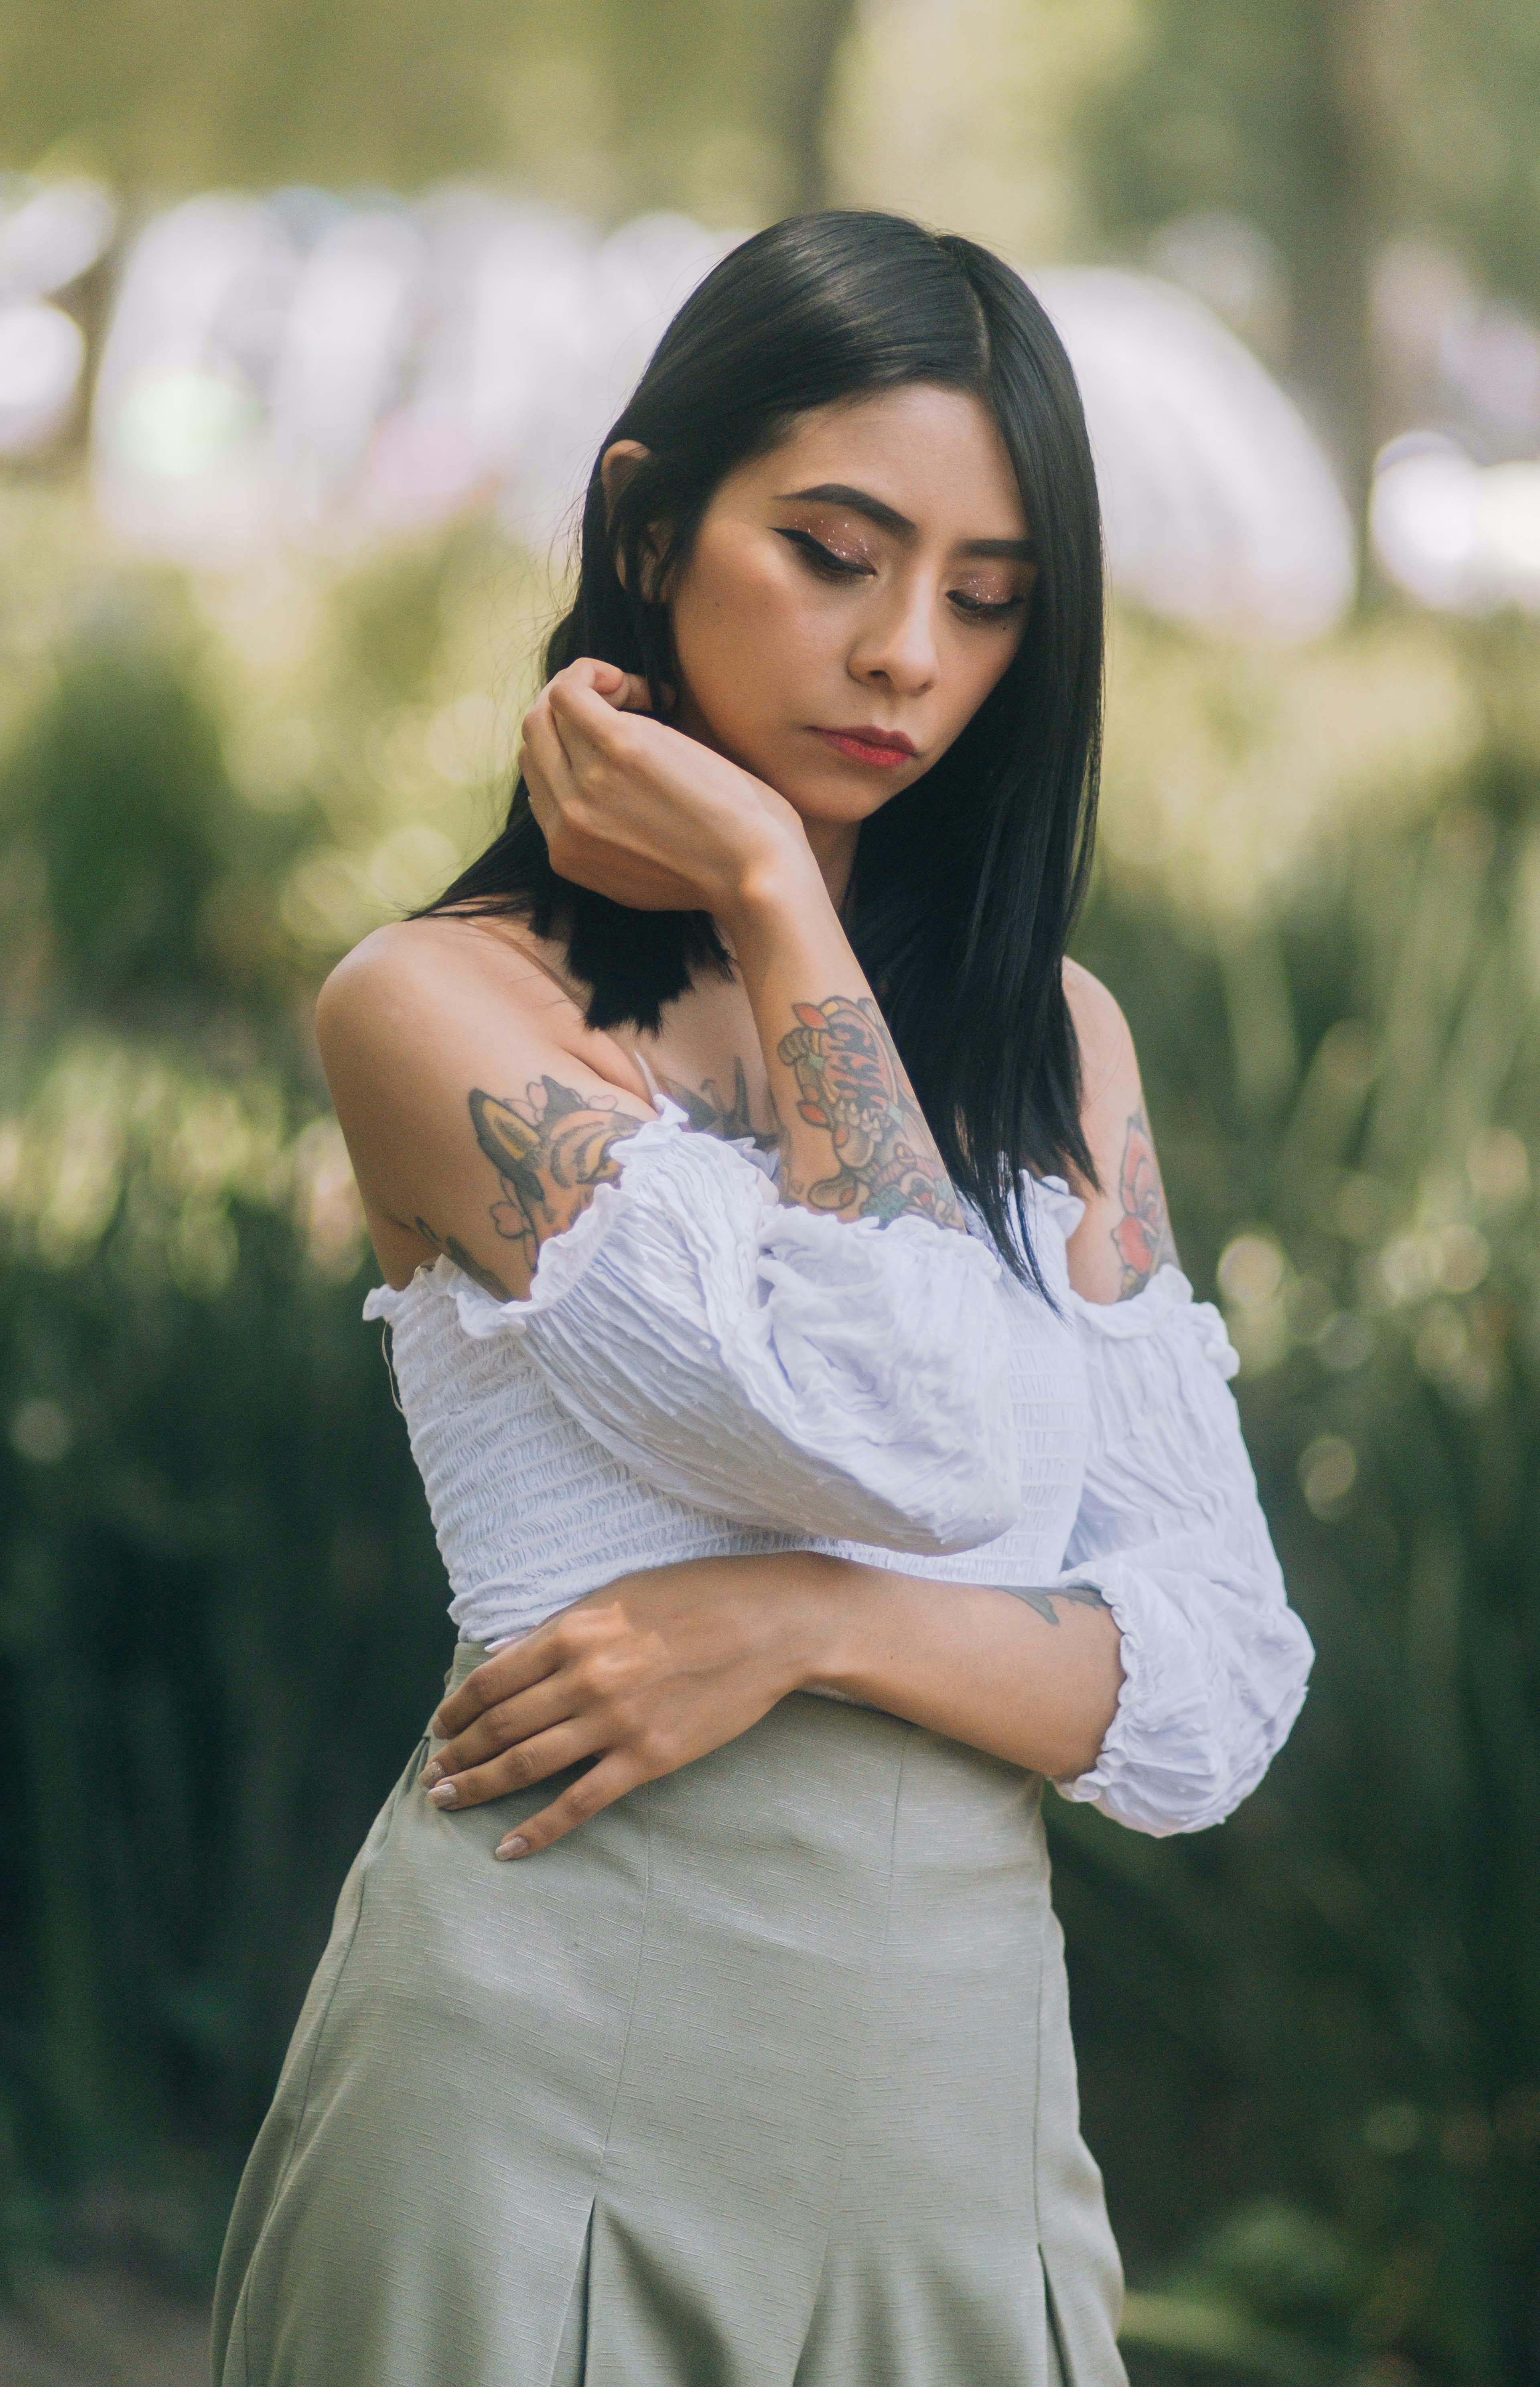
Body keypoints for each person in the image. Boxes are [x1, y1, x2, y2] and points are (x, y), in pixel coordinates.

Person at [210, 210, 1314, 2387]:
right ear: (647, 521)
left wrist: (809, 1627)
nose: (910, 651)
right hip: (530, 2085)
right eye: (837, 552)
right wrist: (762, 886)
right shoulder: (438, 1012)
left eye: (990, 602)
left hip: (950, 2124)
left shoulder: (1057, 1047)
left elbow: (1216, 1689)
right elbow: (910, 1431)